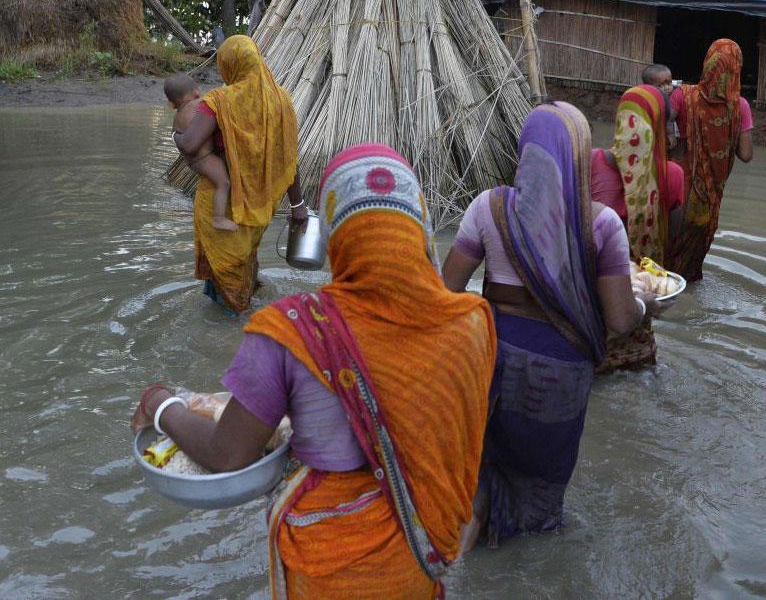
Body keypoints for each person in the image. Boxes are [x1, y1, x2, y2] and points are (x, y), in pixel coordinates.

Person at [132, 144, 496, 597]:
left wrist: (162, 404)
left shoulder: (291, 331)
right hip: (420, 555)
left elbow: (228, 454)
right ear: (419, 222)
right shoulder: (470, 322)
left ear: (334, 233)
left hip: (328, 564)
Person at [442, 102, 663, 545]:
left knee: (478, 478)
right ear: (580, 154)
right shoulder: (602, 225)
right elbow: (620, 319)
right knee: (540, 495)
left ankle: (464, 562)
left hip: (489, 365)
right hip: (558, 379)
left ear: (526, 150)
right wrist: (648, 306)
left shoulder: (489, 208)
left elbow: (445, 292)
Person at [173, 35, 306, 315]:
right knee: (245, 264)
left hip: (222, 206)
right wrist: (298, 205)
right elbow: (288, 158)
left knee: (226, 281)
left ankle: (228, 335)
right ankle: (248, 318)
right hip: (258, 206)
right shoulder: (282, 101)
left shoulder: (219, 101)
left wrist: (175, 135)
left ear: (228, 65)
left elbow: (190, 144)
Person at [589, 84, 685, 371]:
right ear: (659, 126)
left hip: (591, 314)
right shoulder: (672, 176)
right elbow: (672, 241)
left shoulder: (589, 163)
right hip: (639, 310)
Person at [668, 38, 754, 283]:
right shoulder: (740, 107)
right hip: (706, 202)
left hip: (674, 190)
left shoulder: (682, 95)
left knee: (662, 255)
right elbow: (746, 155)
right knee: (689, 268)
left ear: (707, 64)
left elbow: (661, 126)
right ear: (736, 68)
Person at [164, 73, 238, 232]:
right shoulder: (199, 104)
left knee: (221, 182)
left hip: (194, 161)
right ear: (196, 92)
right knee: (223, 182)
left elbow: (177, 136)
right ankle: (219, 219)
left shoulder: (177, 116)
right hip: (204, 158)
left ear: (171, 104)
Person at [641, 63, 678, 147]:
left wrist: (671, 135)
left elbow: (669, 119)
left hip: (665, 133)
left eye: (669, 83)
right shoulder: (646, 98)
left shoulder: (673, 96)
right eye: (660, 85)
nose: (666, 88)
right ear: (648, 87)